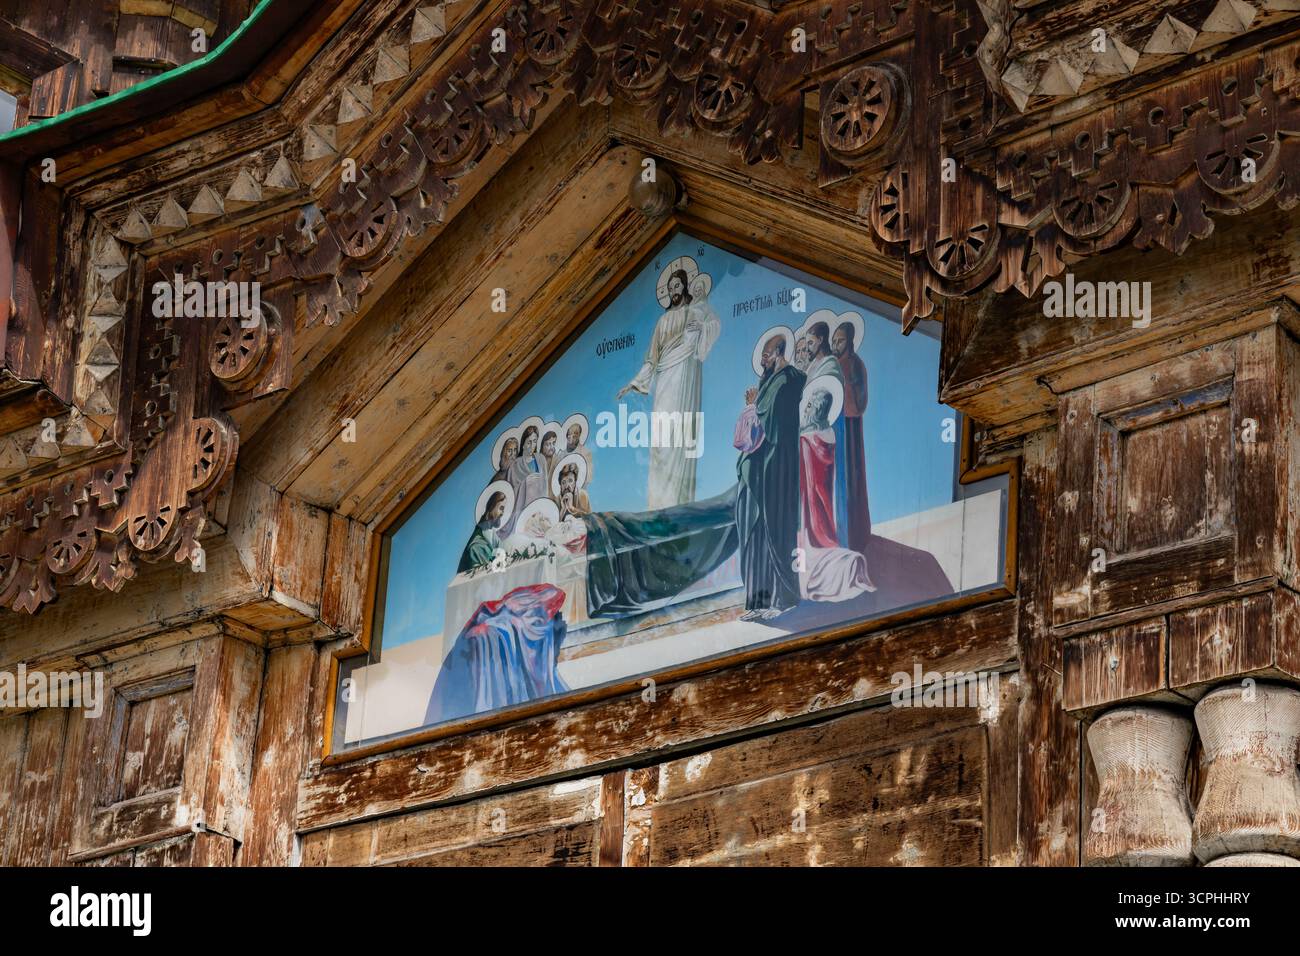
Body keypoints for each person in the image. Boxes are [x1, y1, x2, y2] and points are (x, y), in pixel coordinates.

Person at [616, 262, 720, 508]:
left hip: (686, 373)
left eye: (678, 285)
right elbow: (652, 358)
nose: (674, 290)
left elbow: (714, 324)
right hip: (664, 379)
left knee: (681, 437)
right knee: (661, 440)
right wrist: (634, 383)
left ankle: (679, 502)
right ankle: (659, 504)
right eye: (671, 287)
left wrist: (701, 328)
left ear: (685, 286)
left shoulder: (696, 310)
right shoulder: (663, 321)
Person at [735, 332, 805, 621]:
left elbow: (773, 421)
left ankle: (783, 597)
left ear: (778, 352)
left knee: (775, 529)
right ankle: (757, 601)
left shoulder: (788, 379)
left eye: (766, 354)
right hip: (759, 471)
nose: (762, 360)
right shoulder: (769, 382)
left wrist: (753, 406)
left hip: (776, 468)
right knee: (754, 532)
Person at [833, 320, 871, 553]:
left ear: (850, 341)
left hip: (850, 427)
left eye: (841, 341)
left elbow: (860, 401)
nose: (836, 345)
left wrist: (843, 387)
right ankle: (839, 532)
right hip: (835, 427)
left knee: (851, 480)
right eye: (834, 341)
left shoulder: (856, 364)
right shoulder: (832, 363)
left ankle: (854, 535)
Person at [798, 386, 839, 549]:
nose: (806, 410)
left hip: (813, 493)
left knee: (814, 500)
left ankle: (817, 537)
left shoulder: (807, 439)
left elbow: (810, 482)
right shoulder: (829, 433)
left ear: (818, 410)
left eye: (810, 406)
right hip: (824, 489)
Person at [505, 426, 547, 534]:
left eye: (534, 442)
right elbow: (510, 495)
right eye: (529, 442)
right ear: (523, 444)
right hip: (521, 511)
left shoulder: (541, 459)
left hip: (538, 509)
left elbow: (545, 486)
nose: (532, 446)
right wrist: (525, 483)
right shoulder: (514, 466)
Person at [458, 491, 506, 573]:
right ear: (491, 507)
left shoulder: (493, 534)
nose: (502, 513)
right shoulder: (477, 545)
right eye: (501, 508)